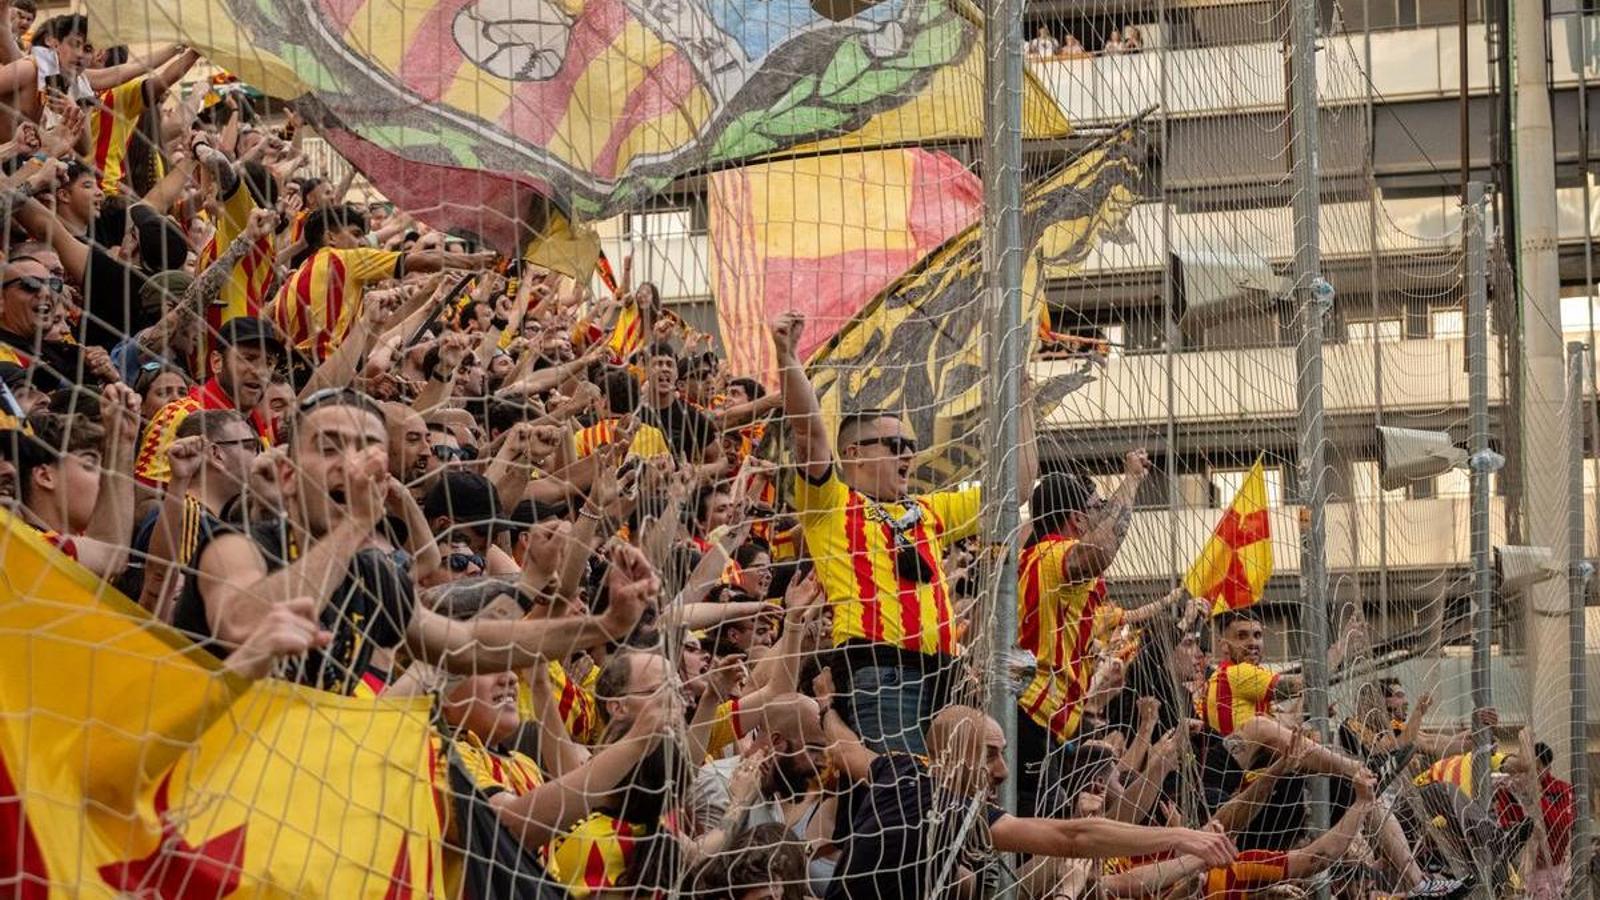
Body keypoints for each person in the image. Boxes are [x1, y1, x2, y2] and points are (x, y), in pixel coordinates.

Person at [170, 388, 656, 695]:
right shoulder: (236, 544)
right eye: (330, 447)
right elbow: (241, 621)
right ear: (287, 474)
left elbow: (469, 644)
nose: (353, 464)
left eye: (367, 449)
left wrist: (605, 623)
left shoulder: (373, 574)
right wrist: (355, 524)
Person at [770, 311, 1037, 754]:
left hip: (945, 674)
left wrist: (1023, 403)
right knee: (900, 793)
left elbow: (1017, 488)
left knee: (951, 794)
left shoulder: (927, 509)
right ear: (854, 453)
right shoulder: (831, 504)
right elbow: (809, 433)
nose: (908, 455)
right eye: (895, 446)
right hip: (882, 672)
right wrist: (788, 357)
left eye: (911, 447)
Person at [823, 705, 1237, 900]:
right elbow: (1071, 836)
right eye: (989, 754)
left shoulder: (899, 769)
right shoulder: (947, 803)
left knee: (968, 883)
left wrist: (825, 705)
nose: (1002, 771)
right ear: (950, 755)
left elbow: (846, 749)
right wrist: (1183, 837)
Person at [134, 316, 282, 487]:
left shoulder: (257, 424)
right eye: (249, 358)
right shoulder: (179, 415)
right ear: (217, 362)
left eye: (269, 363)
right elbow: (145, 504)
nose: (261, 372)